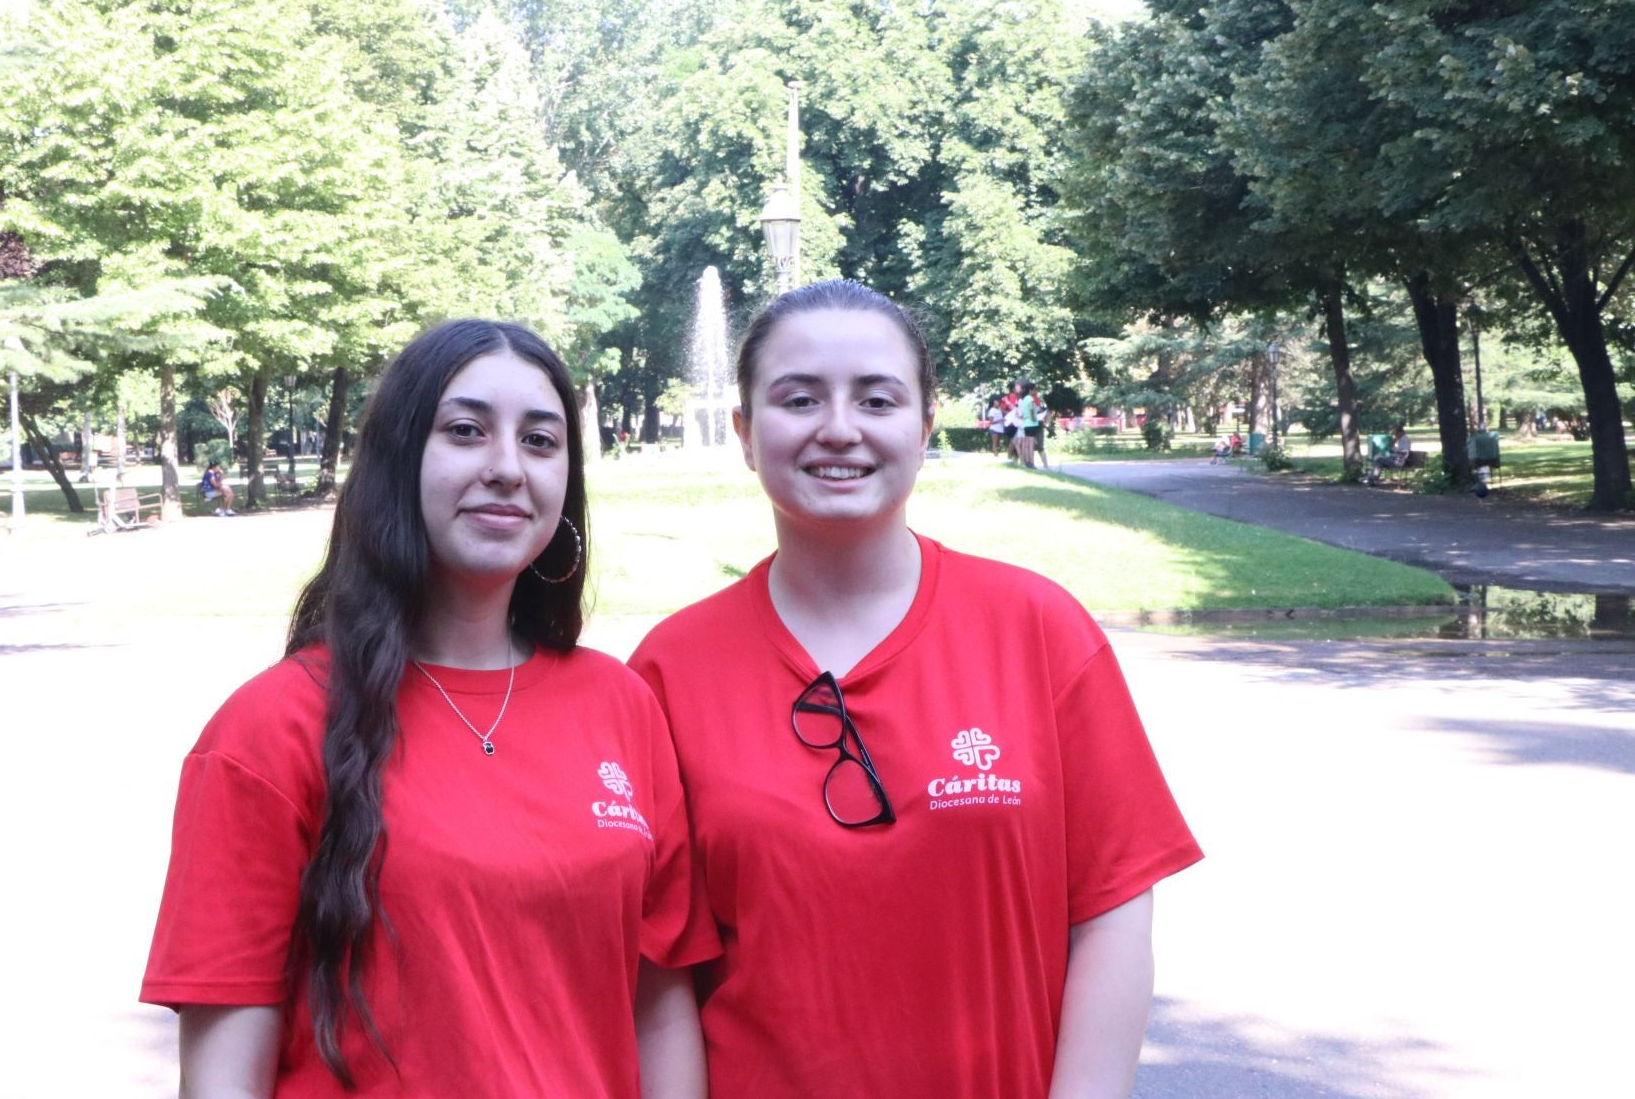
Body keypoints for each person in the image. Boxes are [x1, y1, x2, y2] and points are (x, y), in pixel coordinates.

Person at [630, 280, 1202, 1099]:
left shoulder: (1038, 630)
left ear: (925, 425)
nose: (839, 428)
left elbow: (1112, 909)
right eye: (799, 399)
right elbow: (665, 978)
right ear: (746, 434)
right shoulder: (668, 671)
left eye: (877, 398)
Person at [143, 320, 715, 1098]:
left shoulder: (621, 706)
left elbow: (659, 1010)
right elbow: (222, 1074)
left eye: (542, 441)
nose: (508, 468)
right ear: (399, 460)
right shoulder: (272, 727)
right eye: (467, 431)